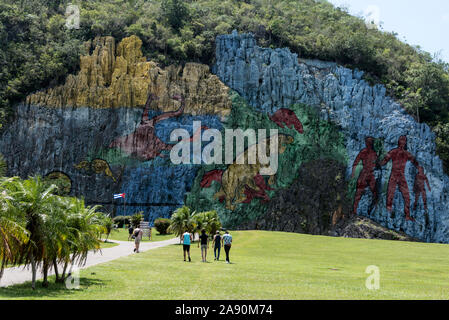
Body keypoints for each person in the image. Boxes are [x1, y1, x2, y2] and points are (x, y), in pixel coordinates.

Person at [380, 135, 419, 222]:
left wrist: (419, 169)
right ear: (398, 141)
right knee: (390, 193)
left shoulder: (406, 153)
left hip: (401, 176)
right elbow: (384, 160)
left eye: (404, 140)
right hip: (394, 174)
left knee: (407, 196)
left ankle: (407, 215)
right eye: (401, 140)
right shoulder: (394, 151)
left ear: (405, 142)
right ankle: (388, 210)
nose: (402, 141)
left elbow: (415, 162)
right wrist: (377, 164)